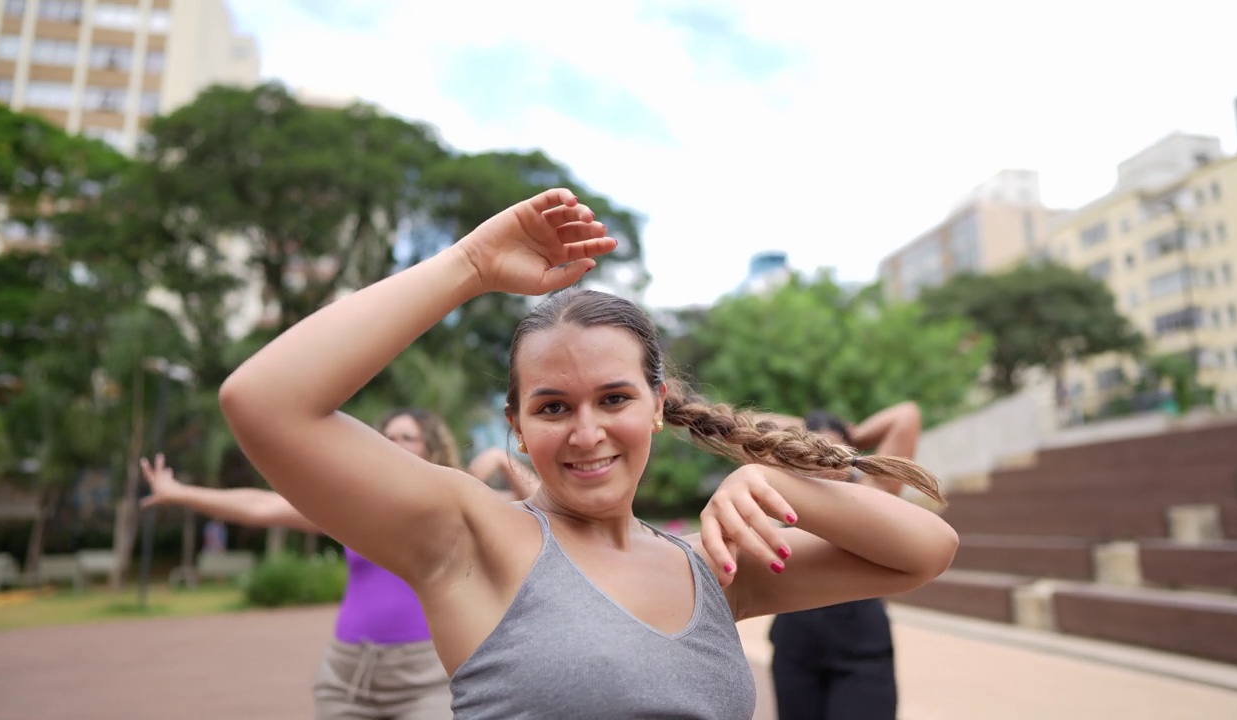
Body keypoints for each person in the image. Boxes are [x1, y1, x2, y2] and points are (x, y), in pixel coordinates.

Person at [217, 188, 959, 719]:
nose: (585, 431)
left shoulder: (714, 566)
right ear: (516, 424)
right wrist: (471, 265)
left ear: (657, 407)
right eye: (551, 407)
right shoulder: (472, 537)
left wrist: (770, 479)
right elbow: (264, 403)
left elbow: (924, 551)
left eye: (613, 399)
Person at [139, 407, 536, 720]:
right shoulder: (354, 510)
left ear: (429, 449)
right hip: (347, 675)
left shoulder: (462, 512)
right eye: (388, 437)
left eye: (406, 437)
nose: (393, 443)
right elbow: (261, 505)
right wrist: (179, 492)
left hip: (425, 679)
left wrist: (503, 462)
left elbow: (544, 510)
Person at [767, 403, 923, 720]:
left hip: (861, 651)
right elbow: (759, 424)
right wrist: (809, 428)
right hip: (796, 649)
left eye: (833, 447)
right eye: (814, 446)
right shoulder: (786, 492)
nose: (824, 455)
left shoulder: (873, 491)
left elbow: (906, 415)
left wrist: (848, 432)